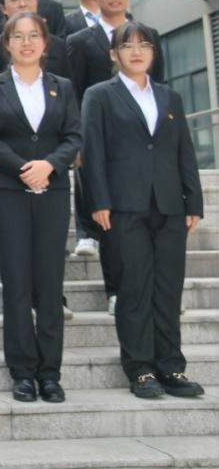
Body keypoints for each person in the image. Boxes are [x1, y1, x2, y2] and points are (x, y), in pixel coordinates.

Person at [81, 21, 205, 400]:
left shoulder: (170, 97)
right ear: (113, 54)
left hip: (169, 206)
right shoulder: (99, 95)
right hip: (123, 206)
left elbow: (184, 151)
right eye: (128, 45)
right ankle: (141, 369)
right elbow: (92, 152)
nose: (137, 51)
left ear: (154, 52)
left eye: (144, 45)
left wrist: (193, 200)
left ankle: (171, 367)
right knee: (134, 288)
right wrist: (98, 201)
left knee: (168, 288)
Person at [0, 11, 82, 403]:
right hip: (9, 193)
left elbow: (74, 135)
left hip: (52, 191)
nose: (26, 42)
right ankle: (22, 372)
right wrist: (24, 169)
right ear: (7, 44)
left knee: (50, 284)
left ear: (45, 43)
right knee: (17, 282)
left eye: (33, 35)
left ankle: (50, 373)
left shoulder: (62, 87)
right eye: (18, 36)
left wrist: (49, 166)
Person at [67, 0, 166, 310]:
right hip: (102, 143)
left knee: (151, 217)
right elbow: (74, 94)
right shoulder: (80, 41)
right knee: (111, 221)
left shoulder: (149, 35)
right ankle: (115, 291)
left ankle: (155, 290)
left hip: (145, 143)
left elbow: (160, 89)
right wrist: (77, 141)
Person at [0, 0, 72, 80]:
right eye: (14, 0)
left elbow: (67, 85)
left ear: (37, 3)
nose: (22, 4)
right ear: (3, 8)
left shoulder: (57, 45)